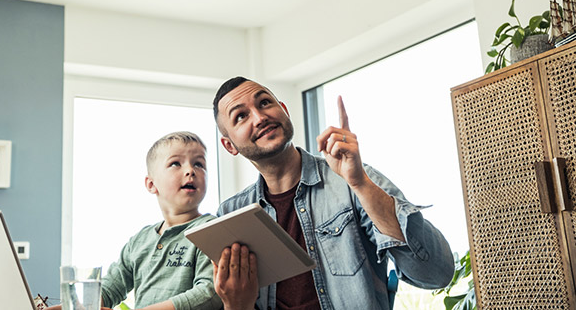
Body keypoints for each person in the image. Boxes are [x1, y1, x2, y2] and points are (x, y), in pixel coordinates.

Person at [210, 77, 454, 310]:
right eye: (241, 116)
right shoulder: (231, 215)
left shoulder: (353, 178)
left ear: (284, 110)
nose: (260, 117)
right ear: (229, 145)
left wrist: (360, 184)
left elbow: (436, 273)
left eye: (265, 102)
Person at [49, 131, 222, 310]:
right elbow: (109, 290)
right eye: (175, 163)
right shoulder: (140, 240)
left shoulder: (210, 229)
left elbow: (209, 293)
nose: (190, 171)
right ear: (151, 184)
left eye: (199, 164)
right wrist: (67, 307)